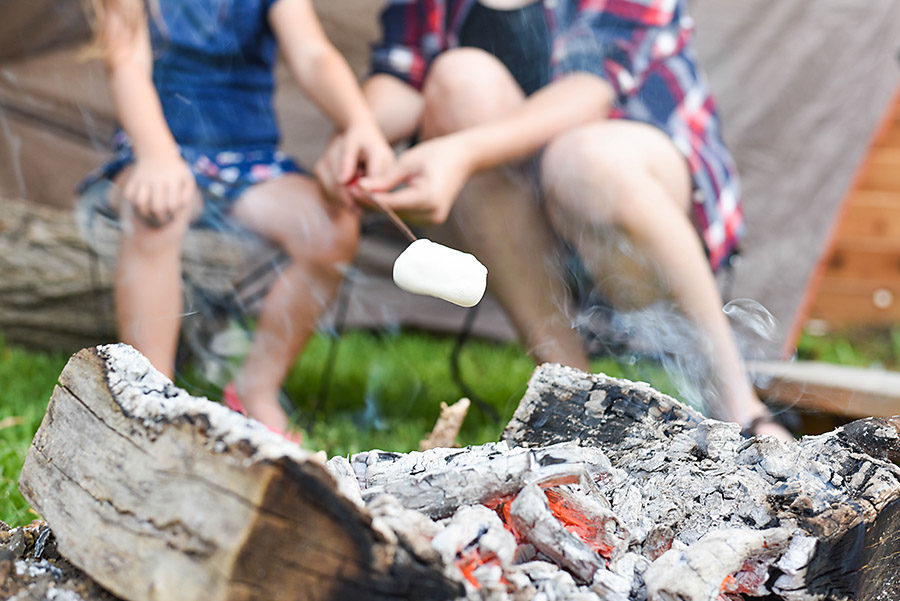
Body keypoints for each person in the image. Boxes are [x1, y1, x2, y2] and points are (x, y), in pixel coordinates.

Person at [351, 0, 793, 441]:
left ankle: (741, 408)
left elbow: (591, 89)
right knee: (460, 77)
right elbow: (401, 74)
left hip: (627, 191)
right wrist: (358, 133)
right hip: (507, 213)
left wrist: (464, 151)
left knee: (583, 160)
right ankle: (574, 397)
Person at [82, 0, 393, 441]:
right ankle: (149, 399)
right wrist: (156, 155)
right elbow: (125, 59)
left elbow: (313, 55)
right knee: (156, 212)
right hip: (157, 150)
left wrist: (361, 123)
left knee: (333, 229)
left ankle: (256, 387)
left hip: (248, 161)